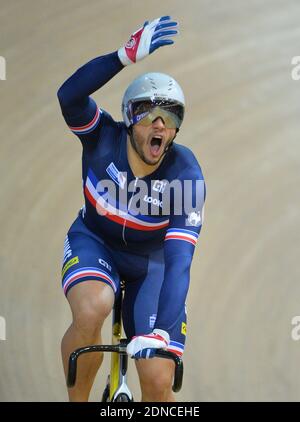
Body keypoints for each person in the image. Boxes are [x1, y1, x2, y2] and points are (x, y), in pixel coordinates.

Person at [57, 15, 206, 402]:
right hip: (95, 243)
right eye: (147, 113)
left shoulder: (186, 176)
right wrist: (121, 57)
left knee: (158, 377)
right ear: (128, 118)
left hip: (151, 265)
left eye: (170, 116)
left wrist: (162, 332)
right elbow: (68, 97)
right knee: (93, 309)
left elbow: (179, 264)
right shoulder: (101, 138)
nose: (159, 123)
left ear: (176, 130)